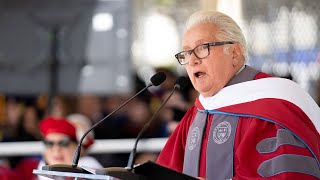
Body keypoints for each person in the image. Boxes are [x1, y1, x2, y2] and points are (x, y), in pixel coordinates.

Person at [156, 10, 320, 180]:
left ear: (234, 53)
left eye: (202, 48)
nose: (192, 60)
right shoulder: (197, 114)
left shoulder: (273, 106)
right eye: (187, 52)